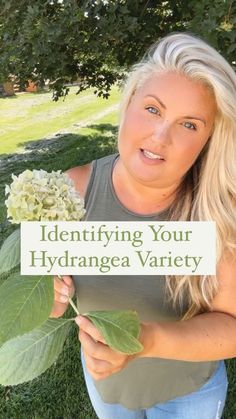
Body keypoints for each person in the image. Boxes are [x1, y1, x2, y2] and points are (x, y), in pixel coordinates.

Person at [50, 32, 236, 419]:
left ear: (208, 141)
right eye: (153, 109)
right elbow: (52, 300)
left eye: (189, 125)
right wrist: (49, 297)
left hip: (189, 394)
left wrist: (143, 339)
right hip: (106, 387)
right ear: (129, 101)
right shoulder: (73, 189)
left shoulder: (218, 211)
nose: (160, 136)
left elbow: (231, 326)